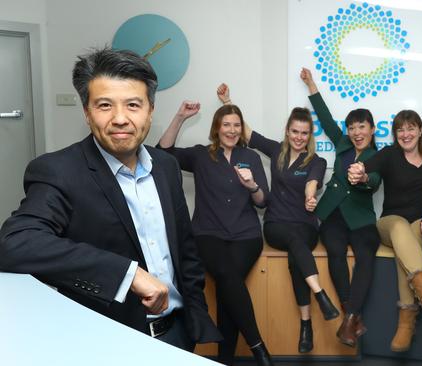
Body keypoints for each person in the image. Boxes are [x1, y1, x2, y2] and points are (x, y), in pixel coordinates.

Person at [0, 48, 221, 352]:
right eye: (104, 105)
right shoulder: (59, 171)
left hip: (178, 335)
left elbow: (184, 248)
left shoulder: (166, 167)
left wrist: (193, 315)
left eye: (133, 104)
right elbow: (15, 244)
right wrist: (127, 275)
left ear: (150, 110)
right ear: (87, 112)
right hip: (106, 343)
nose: (120, 118)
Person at [217, 84, 339, 354]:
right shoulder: (276, 151)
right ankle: (319, 295)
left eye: (304, 133)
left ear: (310, 135)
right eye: (294, 131)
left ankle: (305, 323)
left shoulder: (316, 160)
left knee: (297, 253)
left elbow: (313, 183)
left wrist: (310, 197)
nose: (298, 137)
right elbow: (245, 132)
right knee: (294, 243)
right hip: (275, 225)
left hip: (305, 226)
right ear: (287, 131)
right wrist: (228, 102)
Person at [157, 99, 272, 365]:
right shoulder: (201, 155)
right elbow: (163, 151)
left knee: (226, 286)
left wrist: (253, 185)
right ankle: (259, 348)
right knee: (228, 278)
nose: (231, 130)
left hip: (246, 236)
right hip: (208, 234)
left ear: (241, 129)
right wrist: (180, 117)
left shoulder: (251, 157)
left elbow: (263, 201)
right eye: (226, 125)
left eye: (236, 125)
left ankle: (225, 359)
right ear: (217, 128)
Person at [348, 109, 422, 352]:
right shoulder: (390, 154)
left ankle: (406, 321)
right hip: (389, 224)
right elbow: (365, 167)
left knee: (408, 244)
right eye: (400, 129)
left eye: (411, 128)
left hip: (421, 226)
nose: (405, 133)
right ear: (395, 135)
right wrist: (359, 173)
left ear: (420, 130)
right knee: (401, 227)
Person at [300, 68, 381, 347]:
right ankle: (352, 316)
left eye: (362, 127)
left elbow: (375, 181)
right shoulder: (343, 144)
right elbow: (323, 117)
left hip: (361, 218)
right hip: (331, 213)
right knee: (334, 250)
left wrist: (363, 178)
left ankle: (349, 318)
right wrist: (311, 84)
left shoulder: (379, 156)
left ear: (372, 129)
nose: (357, 132)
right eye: (352, 127)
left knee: (366, 253)